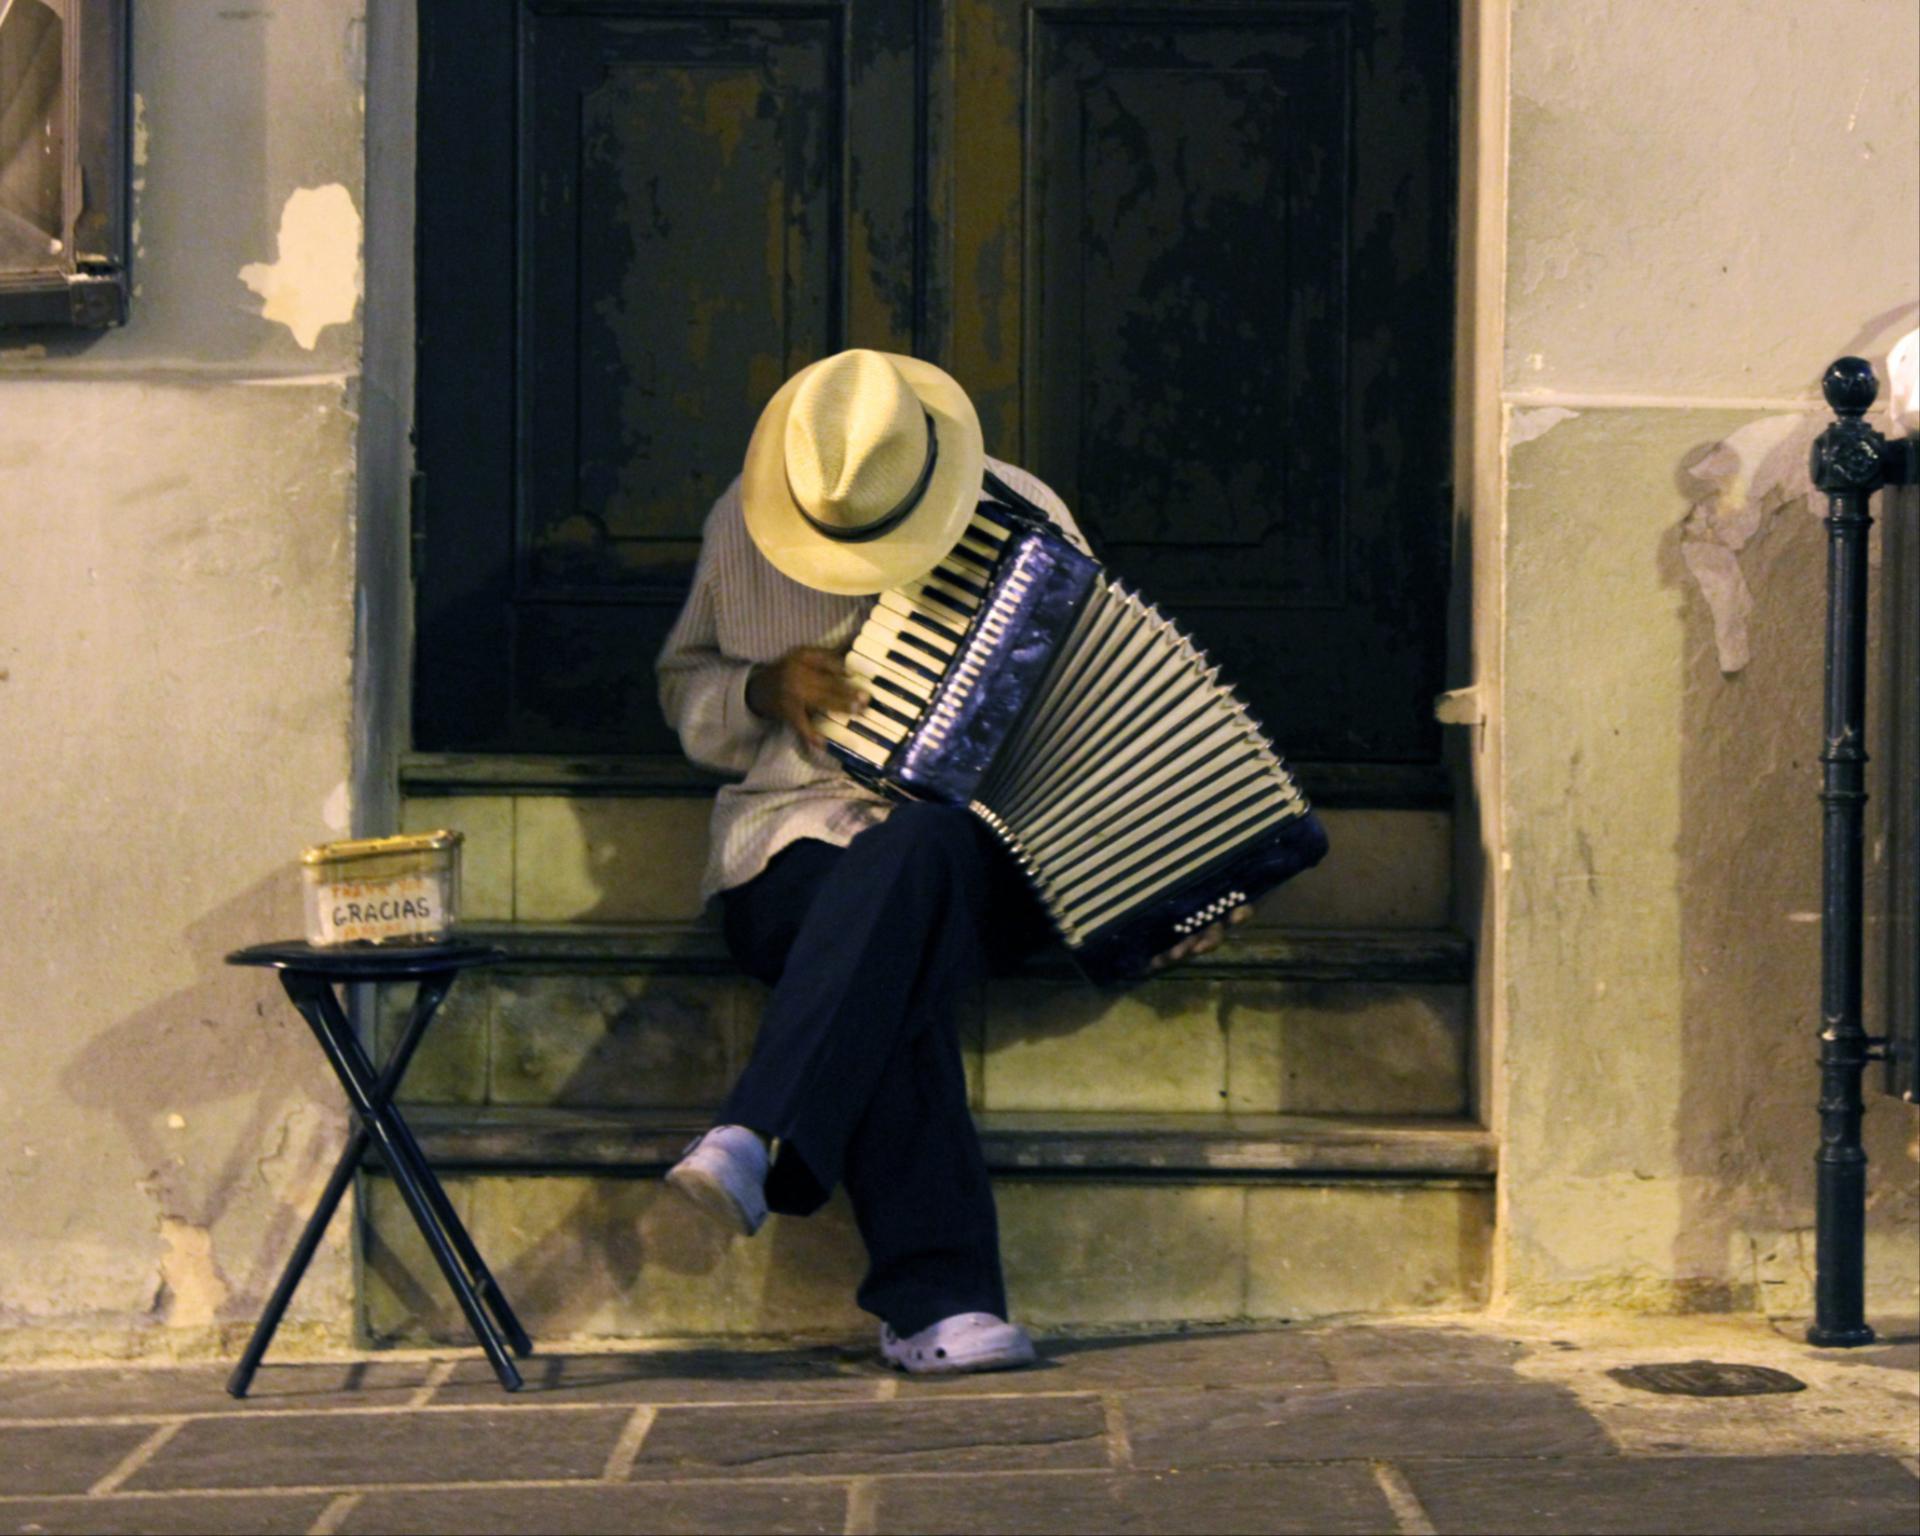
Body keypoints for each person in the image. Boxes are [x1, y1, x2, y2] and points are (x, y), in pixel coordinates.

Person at [655, 348, 1240, 1374]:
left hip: (984, 852)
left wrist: (1173, 867)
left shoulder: (1025, 511)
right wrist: (759, 690)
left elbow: (1099, 706)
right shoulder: (736, 519)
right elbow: (684, 691)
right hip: (789, 839)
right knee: (883, 954)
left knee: (916, 849)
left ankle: (756, 1129)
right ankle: (940, 1306)